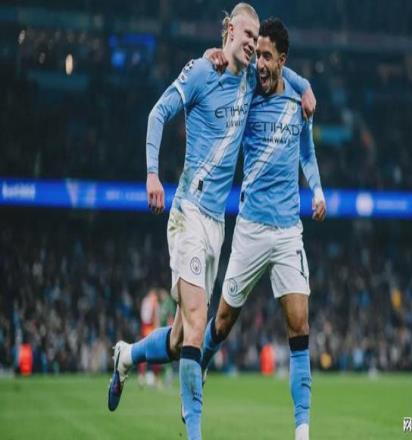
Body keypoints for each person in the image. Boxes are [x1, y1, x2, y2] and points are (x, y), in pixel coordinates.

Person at [107, 4, 315, 440]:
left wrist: (305, 85)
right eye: (246, 34)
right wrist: (151, 173)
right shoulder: (203, 71)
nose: (252, 43)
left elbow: (283, 73)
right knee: (198, 325)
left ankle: (126, 356)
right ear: (229, 29)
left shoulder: (249, 79)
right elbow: (157, 113)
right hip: (188, 213)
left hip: (217, 225)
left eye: (256, 39)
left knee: (180, 338)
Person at [200, 18, 326, 440]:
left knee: (300, 328)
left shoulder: (297, 100)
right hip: (251, 228)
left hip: (288, 231)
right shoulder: (247, 90)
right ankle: (199, 365)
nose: (261, 65)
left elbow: (307, 152)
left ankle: (302, 431)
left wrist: (318, 191)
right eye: (259, 56)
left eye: (268, 57)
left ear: (282, 59)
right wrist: (214, 55)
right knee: (221, 323)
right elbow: (224, 70)